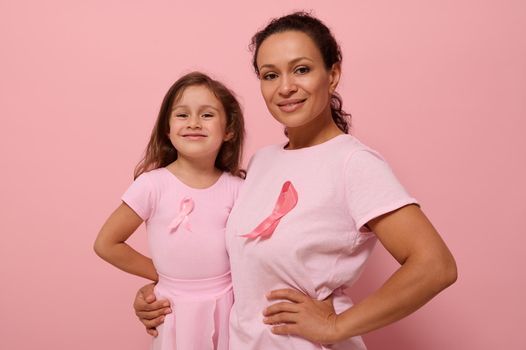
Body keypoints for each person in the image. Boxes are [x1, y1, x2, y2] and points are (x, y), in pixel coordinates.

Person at [132, 12, 457, 349]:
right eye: (270, 75)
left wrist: (335, 326)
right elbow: (241, 267)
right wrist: (166, 291)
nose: (285, 87)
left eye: (301, 69)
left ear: (332, 74)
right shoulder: (263, 161)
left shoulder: (353, 163)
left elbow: (435, 266)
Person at [94, 71, 245, 350]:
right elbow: (106, 243)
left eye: (207, 115)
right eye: (182, 115)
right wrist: (160, 275)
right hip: (174, 310)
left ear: (229, 130)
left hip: (231, 307)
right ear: (167, 128)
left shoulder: (238, 189)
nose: (194, 123)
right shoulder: (153, 185)